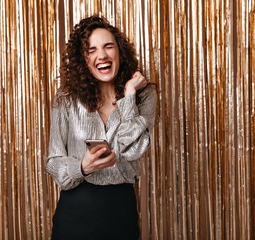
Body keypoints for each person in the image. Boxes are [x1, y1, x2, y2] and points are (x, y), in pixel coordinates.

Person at [46, 15, 156, 240]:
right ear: (83, 59)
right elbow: (54, 162)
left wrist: (129, 95)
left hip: (120, 212)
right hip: (74, 212)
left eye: (108, 46)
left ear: (120, 52)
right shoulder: (66, 98)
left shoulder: (144, 95)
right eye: (91, 50)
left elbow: (132, 150)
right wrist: (83, 167)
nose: (102, 55)